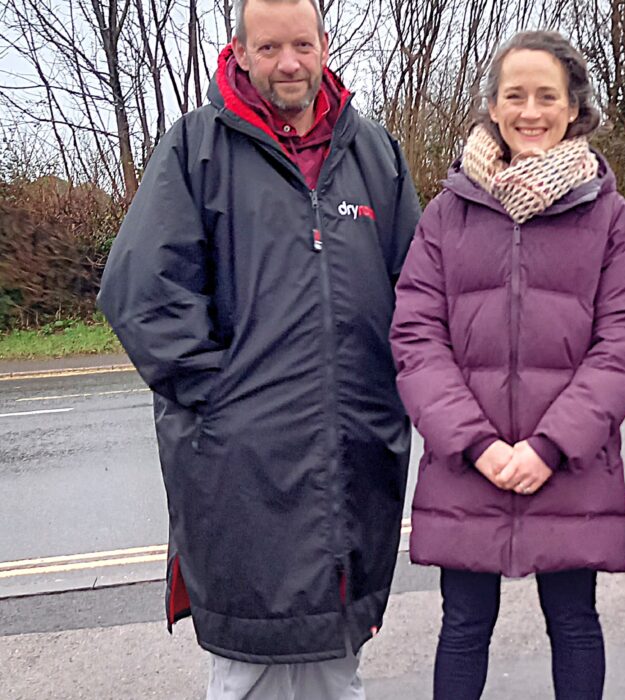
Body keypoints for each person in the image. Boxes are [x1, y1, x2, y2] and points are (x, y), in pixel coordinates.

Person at [98, 0, 420, 696]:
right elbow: (141, 291)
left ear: (324, 45)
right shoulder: (196, 149)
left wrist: (397, 398)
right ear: (240, 52)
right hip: (240, 471)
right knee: (250, 667)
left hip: (353, 460)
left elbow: (418, 293)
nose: (289, 63)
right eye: (269, 48)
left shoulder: (374, 154)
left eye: (302, 45)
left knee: (336, 662)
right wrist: (226, 403)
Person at [389, 30, 625, 700]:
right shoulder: (446, 215)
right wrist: (477, 445)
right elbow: (417, 338)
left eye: (547, 96)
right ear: (493, 106)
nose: (530, 111)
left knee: (574, 623)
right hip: (468, 465)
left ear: (573, 108)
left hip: (568, 465)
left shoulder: (611, 218)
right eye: (515, 96)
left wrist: (550, 446)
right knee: (463, 627)